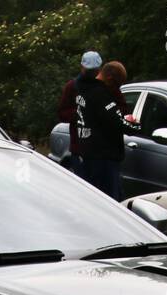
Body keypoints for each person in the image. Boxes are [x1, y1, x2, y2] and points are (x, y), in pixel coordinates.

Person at [75, 60, 137, 199]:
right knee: (110, 200)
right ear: (109, 79)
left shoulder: (82, 88)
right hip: (103, 158)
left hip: (87, 152)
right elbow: (116, 122)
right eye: (117, 85)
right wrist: (136, 125)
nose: (117, 89)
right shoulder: (101, 94)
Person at [58, 51, 103, 177]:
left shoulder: (104, 87)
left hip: (101, 150)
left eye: (94, 70)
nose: (92, 74)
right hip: (80, 148)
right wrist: (80, 113)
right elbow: (62, 113)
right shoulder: (72, 87)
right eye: (89, 70)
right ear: (82, 67)